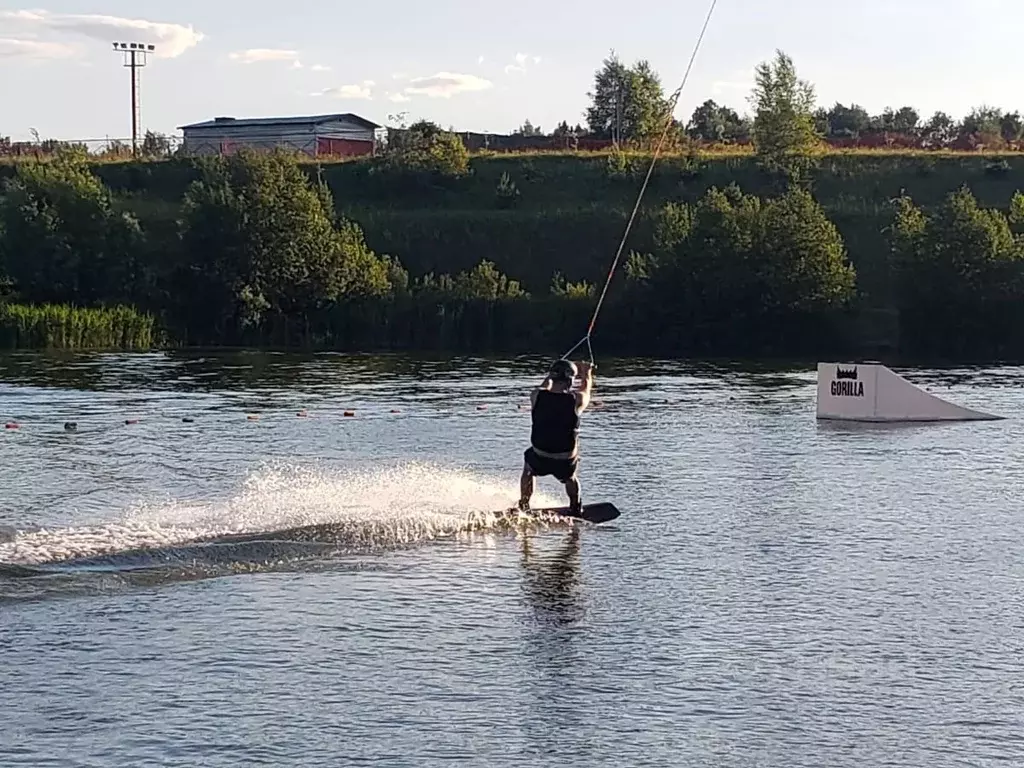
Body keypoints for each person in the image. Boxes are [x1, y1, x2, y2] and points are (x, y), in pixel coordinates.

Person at [518, 358, 595, 514]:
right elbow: (586, 388)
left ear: (552, 378)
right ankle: (575, 506)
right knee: (571, 477)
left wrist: (550, 375)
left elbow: (543, 386)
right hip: (564, 461)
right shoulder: (576, 400)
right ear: (570, 380)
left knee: (528, 468)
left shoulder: (536, 396)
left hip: (540, 456)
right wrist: (587, 372)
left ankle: (524, 505)